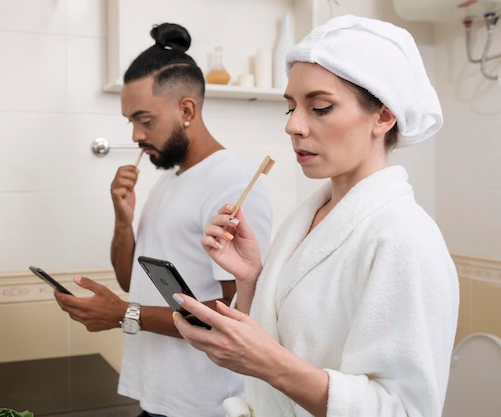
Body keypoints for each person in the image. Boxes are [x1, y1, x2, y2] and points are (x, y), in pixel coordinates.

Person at [172, 15, 459, 417]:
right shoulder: (308, 218)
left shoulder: (405, 238)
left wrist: (268, 362)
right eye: (290, 108)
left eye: (320, 107)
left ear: (383, 116)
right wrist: (252, 277)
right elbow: (287, 336)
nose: (293, 125)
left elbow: (405, 411)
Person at [54, 22, 273, 417]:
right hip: (158, 394)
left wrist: (122, 314)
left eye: (145, 119)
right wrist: (123, 220)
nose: (137, 135)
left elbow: (231, 314)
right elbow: (130, 280)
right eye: (131, 122)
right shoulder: (168, 181)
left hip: (206, 404)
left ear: (186, 109)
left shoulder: (232, 184)